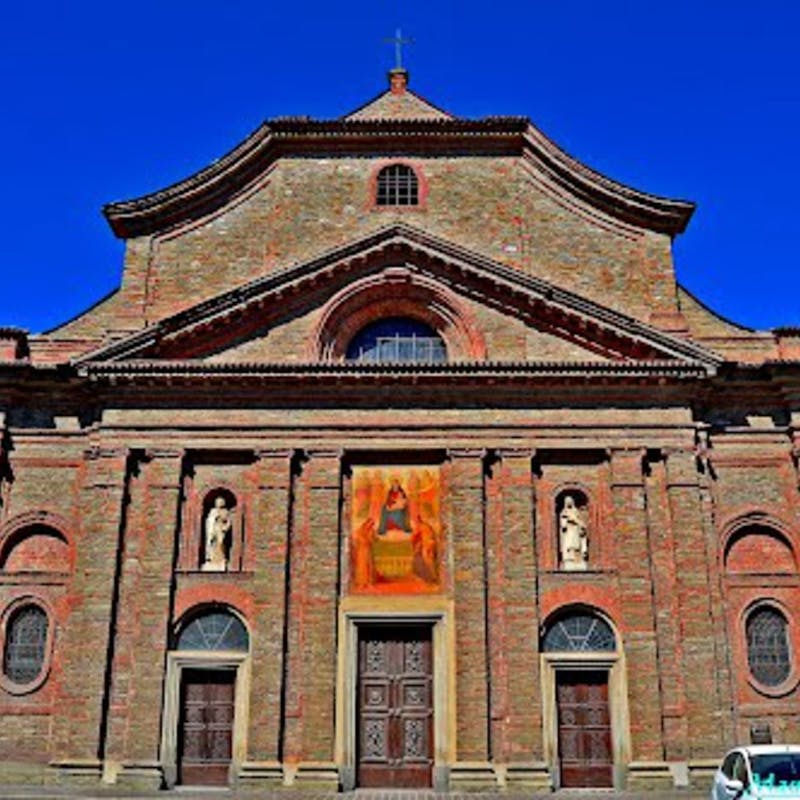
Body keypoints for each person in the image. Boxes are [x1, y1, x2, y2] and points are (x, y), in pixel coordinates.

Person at [203, 496, 232, 571]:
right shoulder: (213, 511)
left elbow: (229, 521)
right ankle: (212, 560)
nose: (219, 503)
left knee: (221, 543)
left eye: (221, 502)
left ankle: (221, 560)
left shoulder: (225, 511)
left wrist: (225, 528)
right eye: (218, 502)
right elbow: (209, 520)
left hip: (220, 529)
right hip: (213, 529)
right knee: (212, 544)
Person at [559, 494, 588, 570]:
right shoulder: (564, 512)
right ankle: (569, 560)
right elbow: (563, 525)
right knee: (569, 545)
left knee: (577, 545)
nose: (569, 503)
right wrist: (566, 521)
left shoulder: (576, 511)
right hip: (568, 532)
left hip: (575, 530)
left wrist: (576, 521)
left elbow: (581, 523)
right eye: (567, 502)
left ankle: (578, 560)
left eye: (570, 501)